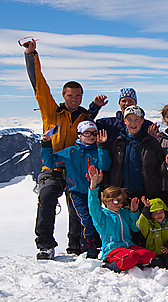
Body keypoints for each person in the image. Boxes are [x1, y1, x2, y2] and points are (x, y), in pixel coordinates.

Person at [22, 37, 106, 259]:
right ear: (63, 96)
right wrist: (31, 56)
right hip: (53, 167)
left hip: (75, 169)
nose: (74, 99)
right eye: (71, 96)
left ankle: (75, 246)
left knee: (77, 207)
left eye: (78, 96)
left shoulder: (84, 116)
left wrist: (95, 107)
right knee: (47, 196)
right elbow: (39, 84)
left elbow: (89, 125)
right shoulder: (51, 112)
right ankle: (45, 244)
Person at [40, 122, 111, 258]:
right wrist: (46, 144)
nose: (91, 136)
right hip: (76, 191)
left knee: (95, 216)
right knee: (85, 218)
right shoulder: (71, 152)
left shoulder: (97, 151)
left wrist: (102, 147)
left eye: (94, 133)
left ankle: (94, 244)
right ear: (80, 135)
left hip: (94, 191)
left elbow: (105, 166)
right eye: (87, 133)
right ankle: (90, 244)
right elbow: (50, 162)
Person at [86, 166, 156, 272]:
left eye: (121, 201)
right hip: (113, 250)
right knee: (132, 257)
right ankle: (110, 265)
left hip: (128, 247)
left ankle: (130, 262)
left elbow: (135, 228)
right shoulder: (102, 216)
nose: (119, 204)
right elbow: (93, 205)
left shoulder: (123, 213)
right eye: (115, 201)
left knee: (148, 255)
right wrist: (94, 183)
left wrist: (133, 212)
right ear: (106, 201)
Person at [106, 105, 166, 200]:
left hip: (145, 195)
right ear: (124, 121)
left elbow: (160, 169)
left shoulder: (151, 143)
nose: (133, 123)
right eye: (129, 119)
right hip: (121, 196)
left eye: (136, 119)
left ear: (142, 121)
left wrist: (167, 165)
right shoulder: (117, 143)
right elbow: (109, 168)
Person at [136, 197, 168, 272]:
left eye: (161, 211)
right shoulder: (149, 225)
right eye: (155, 213)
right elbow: (140, 224)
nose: (159, 214)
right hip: (154, 253)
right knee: (157, 263)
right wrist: (146, 210)